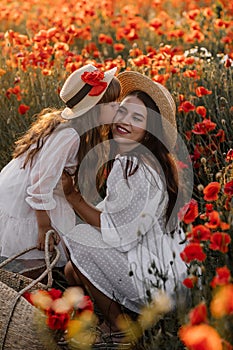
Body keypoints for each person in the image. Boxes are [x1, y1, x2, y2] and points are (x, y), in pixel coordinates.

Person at [62, 71, 188, 336]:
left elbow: (119, 235)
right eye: (122, 111)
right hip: (167, 278)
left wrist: (74, 198)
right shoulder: (150, 161)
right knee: (72, 270)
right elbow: (112, 216)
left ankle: (120, 328)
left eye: (137, 118)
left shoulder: (133, 165)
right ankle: (110, 313)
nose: (125, 121)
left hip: (155, 281)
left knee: (79, 238)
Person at [0, 64, 120, 267]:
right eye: (112, 104)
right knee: (34, 256)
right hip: (28, 198)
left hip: (36, 191)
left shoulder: (78, 130)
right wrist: (44, 226)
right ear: (93, 109)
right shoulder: (69, 135)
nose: (118, 106)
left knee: (43, 257)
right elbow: (39, 181)